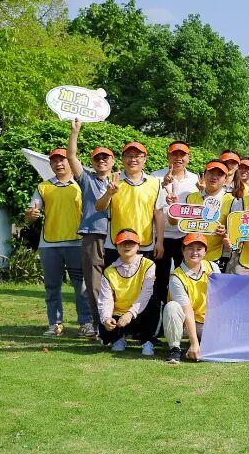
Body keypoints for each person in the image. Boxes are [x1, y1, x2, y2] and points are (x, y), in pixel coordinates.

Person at [26, 146, 89, 337]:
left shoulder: (82, 184)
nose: (58, 163)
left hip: (77, 242)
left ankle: (86, 323)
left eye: (62, 159)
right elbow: (31, 214)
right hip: (50, 244)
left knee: (82, 287)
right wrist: (30, 215)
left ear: (70, 161)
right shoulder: (43, 187)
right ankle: (54, 324)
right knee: (52, 287)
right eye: (54, 161)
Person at [67, 120, 113, 336]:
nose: (101, 160)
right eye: (97, 158)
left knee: (116, 283)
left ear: (113, 161)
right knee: (94, 284)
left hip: (118, 238)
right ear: (92, 162)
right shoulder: (86, 178)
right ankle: (99, 325)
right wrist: (74, 132)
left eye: (106, 157)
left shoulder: (121, 180)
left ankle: (118, 325)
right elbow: (71, 157)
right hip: (93, 235)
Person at [95, 142, 167, 267]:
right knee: (113, 278)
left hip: (145, 243)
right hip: (115, 243)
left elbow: (158, 213)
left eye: (137, 156)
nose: (133, 159)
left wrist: (160, 241)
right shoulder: (111, 180)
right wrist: (109, 194)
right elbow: (99, 207)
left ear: (144, 159)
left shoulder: (155, 183)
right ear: (123, 158)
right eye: (129, 155)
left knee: (145, 279)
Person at [98, 229, 159, 355]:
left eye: (131, 243)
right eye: (122, 243)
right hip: (118, 316)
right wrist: (107, 318)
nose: (127, 246)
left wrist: (130, 314)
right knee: (104, 325)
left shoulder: (148, 265)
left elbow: (146, 293)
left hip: (140, 313)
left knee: (154, 301)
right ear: (116, 246)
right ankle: (118, 338)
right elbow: (106, 299)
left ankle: (147, 340)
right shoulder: (109, 271)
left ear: (138, 246)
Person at [162, 233, 218, 364]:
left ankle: (201, 344)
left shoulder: (212, 267)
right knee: (172, 307)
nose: (195, 253)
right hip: (184, 325)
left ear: (205, 252)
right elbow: (187, 311)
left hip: (206, 322)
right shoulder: (176, 277)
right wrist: (194, 343)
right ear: (182, 250)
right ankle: (175, 348)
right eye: (190, 248)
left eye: (199, 249)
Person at [151, 141, 201, 287]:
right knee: (159, 279)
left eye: (182, 155)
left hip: (185, 235)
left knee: (184, 278)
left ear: (188, 158)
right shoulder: (155, 177)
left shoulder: (195, 179)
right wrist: (163, 185)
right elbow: (154, 207)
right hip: (160, 235)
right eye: (174, 154)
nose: (178, 158)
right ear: (168, 156)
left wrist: (202, 192)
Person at [174, 160, 234, 270]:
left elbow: (235, 233)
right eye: (211, 173)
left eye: (219, 175)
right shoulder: (191, 197)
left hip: (216, 256)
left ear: (226, 179)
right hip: (191, 255)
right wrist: (172, 207)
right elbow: (176, 222)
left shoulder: (232, 201)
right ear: (204, 175)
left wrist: (225, 232)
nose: (214, 177)